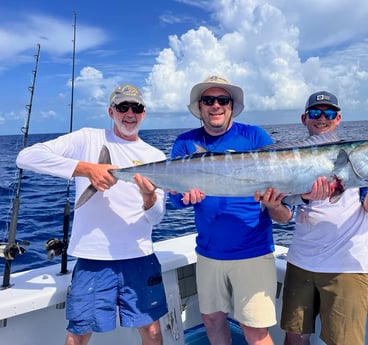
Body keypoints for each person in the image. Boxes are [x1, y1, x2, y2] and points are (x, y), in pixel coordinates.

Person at [16, 84, 168, 345]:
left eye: (136, 107)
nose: (129, 113)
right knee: (78, 336)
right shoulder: (88, 138)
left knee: (152, 332)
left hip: (140, 256)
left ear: (144, 113)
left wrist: (148, 197)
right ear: (111, 111)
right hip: (93, 258)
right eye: (123, 107)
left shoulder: (154, 156)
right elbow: (26, 157)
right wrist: (87, 169)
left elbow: (156, 218)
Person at [168, 75, 290, 345]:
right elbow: (174, 199)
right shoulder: (185, 142)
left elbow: (282, 200)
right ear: (199, 107)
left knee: (255, 331)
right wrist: (186, 198)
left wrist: (274, 203)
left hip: (253, 252)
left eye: (222, 100)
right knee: (212, 320)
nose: (215, 106)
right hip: (209, 253)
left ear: (232, 106)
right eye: (208, 100)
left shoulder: (255, 136)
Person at [279, 91, 368, 345]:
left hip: (346, 268)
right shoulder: (293, 157)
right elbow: (284, 209)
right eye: (315, 113)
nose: (322, 118)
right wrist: (304, 197)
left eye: (329, 113)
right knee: (294, 338)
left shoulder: (357, 156)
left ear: (338, 118)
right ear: (304, 118)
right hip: (300, 263)